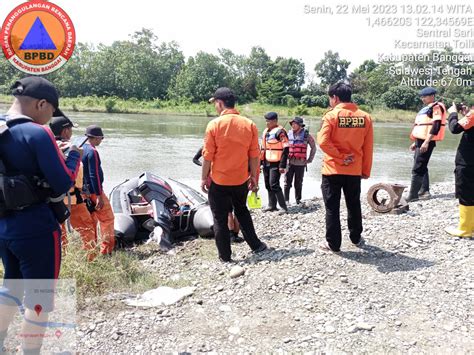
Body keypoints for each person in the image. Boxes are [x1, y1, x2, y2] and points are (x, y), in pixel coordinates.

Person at [0, 76, 80, 353]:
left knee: (11, 285)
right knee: (40, 296)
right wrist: (74, 157)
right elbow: (62, 182)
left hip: (4, 224)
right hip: (35, 226)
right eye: (51, 112)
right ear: (41, 104)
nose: (50, 119)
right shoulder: (38, 133)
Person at [201, 87, 268, 262]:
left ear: (220, 103)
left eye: (215, 103)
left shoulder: (214, 125)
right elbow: (255, 156)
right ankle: (256, 245)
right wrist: (254, 178)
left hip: (219, 181)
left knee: (219, 218)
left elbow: (207, 157)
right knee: (242, 211)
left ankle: (225, 256)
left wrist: (203, 178)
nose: (215, 106)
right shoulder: (249, 124)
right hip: (240, 180)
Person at [317, 81, 373, 253]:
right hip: (354, 170)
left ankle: (333, 244)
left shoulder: (331, 116)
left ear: (335, 98)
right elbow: (368, 147)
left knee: (332, 207)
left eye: (330, 98)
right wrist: (365, 170)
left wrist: (340, 156)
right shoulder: (364, 117)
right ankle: (356, 237)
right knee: (353, 204)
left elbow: (323, 141)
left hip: (332, 169)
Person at [49, 115, 96, 257]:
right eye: (70, 130)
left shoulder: (48, 147)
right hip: (73, 200)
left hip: (52, 200)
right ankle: (91, 259)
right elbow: (77, 174)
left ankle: (61, 258)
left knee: (59, 232)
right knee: (87, 229)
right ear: (65, 131)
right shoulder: (72, 148)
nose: (71, 133)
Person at [193, 146, 244, 243]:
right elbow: (195, 159)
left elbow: (195, 159)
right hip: (228, 179)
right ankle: (234, 235)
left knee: (226, 209)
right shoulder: (224, 148)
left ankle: (231, 234)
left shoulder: (206, 148)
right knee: (234, 208)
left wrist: (204, 166)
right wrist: (203, 165)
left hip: (215, 179)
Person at [406, 87, 447, 202]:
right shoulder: (427, 108)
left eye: (425, 96)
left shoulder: (436, 107)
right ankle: (424, 191)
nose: (422, 98)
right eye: (422, 96)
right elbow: (423, 126)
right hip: (421, 141)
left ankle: (413, 196)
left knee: (417, 168)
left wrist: (426, 142)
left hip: (427, 141)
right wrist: (416, 142)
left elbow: (436, 125)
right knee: (421, 165)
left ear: (432, 96)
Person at [82, 125, 115, 257]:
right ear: (95, 138)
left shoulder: (81, 148)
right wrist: (100, 196)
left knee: (91, 221)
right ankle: (106, 250)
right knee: (107, 219)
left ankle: (91, 252)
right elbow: (93, 174)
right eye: (101, 138)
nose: (101, 140)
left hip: (84, 192)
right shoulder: (92, 151)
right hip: (95, 192)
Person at [445, 103, 474, 238]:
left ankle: (465, 229)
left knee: (465, 193)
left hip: (468, 162)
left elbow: (455, 128)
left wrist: (453, 113)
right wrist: (466, 115)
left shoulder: (473, 115)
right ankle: (471, 226)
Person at [284, 116, 316, 204]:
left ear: (300, 125)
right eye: (292, 124)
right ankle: (286, 200)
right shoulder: (288, 134)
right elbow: (283, 148)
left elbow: (313, 148)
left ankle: (298, 200)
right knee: (287, 182)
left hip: (301, 163)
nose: (293, 126)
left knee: (298, 183)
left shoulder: (306, 135)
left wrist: (310, 159)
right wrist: (282, 162)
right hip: (289, 162)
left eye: (295, 124)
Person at [261, 112, 289, 212]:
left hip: (276, 162)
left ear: (275, 121)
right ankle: (271, 205)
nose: (266, 123)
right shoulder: (266, 131)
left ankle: (283, 207)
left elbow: (286, 149)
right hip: (266, 162)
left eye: (268, 121)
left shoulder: (280, 132)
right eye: (266, 121)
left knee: (274, 184)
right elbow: (263, 148)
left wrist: (282, 165)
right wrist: (261, 162)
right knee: (267, 184)